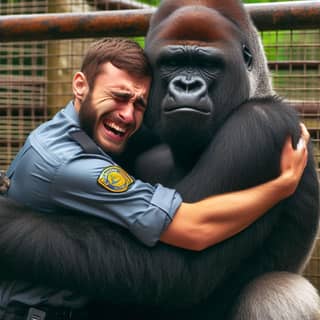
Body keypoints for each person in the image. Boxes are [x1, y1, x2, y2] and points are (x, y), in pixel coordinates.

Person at [2, 38, 309, 320]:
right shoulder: (73, 161)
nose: (127, 114)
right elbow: (193, 228)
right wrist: (280, 187)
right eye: (119, 96)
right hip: (38, 312)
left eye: (138, 103)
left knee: (281, 299)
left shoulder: (63, 133)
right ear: (80, 85)